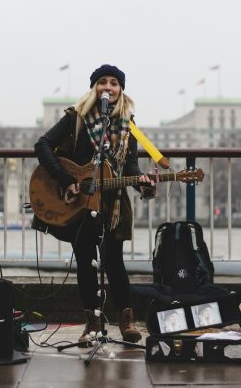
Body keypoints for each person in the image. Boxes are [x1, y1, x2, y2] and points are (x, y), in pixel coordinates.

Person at [34, 64, 156, 346]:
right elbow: (42, 145)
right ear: (94, 89)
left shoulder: (128, 124)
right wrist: (67, 180)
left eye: (114, 83)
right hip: (79, 203)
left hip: (112, 204)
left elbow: (132, 166)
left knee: (114, 262)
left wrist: (143, 183)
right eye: (103, 82)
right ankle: (93, 323)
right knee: (86, 263)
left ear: (121, 90)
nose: (108, 88)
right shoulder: (76, 118)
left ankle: (126, 321)